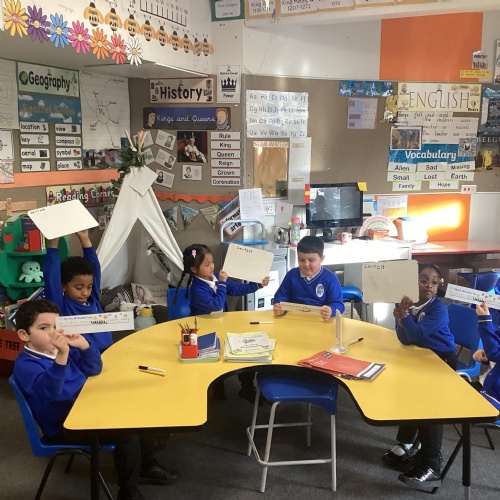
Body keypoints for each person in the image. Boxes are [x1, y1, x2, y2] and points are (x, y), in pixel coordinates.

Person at [12, 299, 174, 500]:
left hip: (86, 405)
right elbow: (49, 393)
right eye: (44, 328)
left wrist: (84, 345)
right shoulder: (26, 365)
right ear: (24, 335)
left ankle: (144, 464)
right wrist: (62, 357)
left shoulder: (57, 349)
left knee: (133, 405)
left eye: (56, 326)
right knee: (128, 431)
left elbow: (94, 368)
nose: (54, 333)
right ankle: (129, 492)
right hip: (66, 425)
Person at [382, 263, 457, 492]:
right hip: (422, 358)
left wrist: (404, 317)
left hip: (442, 361)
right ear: (413, 282)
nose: (429, 286)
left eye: (434, 282)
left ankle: (432, 464)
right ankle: (407, 443)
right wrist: (401, 318)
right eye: (423, 280)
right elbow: (405, 339)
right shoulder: (409, 304)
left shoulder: (438, 309)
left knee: (428, 406)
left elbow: (416, 334)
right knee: (408, 395)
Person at [174, 244, 270, 401]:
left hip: (222, 325)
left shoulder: (216, 277)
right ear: (194, 269)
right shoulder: (197, 288)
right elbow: (216, 304)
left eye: (212, 262)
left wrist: (258, 285)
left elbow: (237, 289)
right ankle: (217, 389)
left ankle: (246, 387)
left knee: (241, 351)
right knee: (213, 358)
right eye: (207, 264)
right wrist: (223, 283)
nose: (212, 266)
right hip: (204, 330)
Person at [44, 230, 113, 353]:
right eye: (79, 288)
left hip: (109, 351)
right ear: (63, 286)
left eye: (89, 287)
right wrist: (53, 244)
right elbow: (52, 279)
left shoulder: (93, 299)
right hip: (85, 358)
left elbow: (95, 269)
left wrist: (84, 238)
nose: (85, 293)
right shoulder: (60, 306)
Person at [273, 236, 344, 321]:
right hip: (294, 320)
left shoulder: (330, 279)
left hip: (319, 321)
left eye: (311, 260)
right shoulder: (291, 275)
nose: (306, 264)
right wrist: (279, 306)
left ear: (321, 259)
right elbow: (280, 296)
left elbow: (339, 305)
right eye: (302, 260)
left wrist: (331, 310)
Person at [475, 302, 500, 410]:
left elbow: (495, 353)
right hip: (488, 387)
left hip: (495, 396)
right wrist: (485, 355)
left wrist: (484, 320)